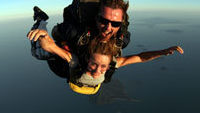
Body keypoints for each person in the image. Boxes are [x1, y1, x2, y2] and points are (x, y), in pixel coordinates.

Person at [27, 8, 184, 95]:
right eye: (95, 65)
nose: (97, 71)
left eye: (103, 67)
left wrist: (163, 52)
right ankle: (41, 19)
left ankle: (41, 24)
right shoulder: (76, 60)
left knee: (43, 53)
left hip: (69, 71)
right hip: (66, 65)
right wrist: (42, 33)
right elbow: (50, 47)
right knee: (39, 53)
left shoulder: (109, 63)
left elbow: (141, 57)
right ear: (87, 59)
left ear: (109, 64)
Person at [51, 0, 130, 58]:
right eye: (103, 21)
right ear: (96, 17)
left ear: (121, 24)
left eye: (115, 24)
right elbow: (55, 31)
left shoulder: (122, 40)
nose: (108, 28)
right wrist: (64, 43)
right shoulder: (74, 31)